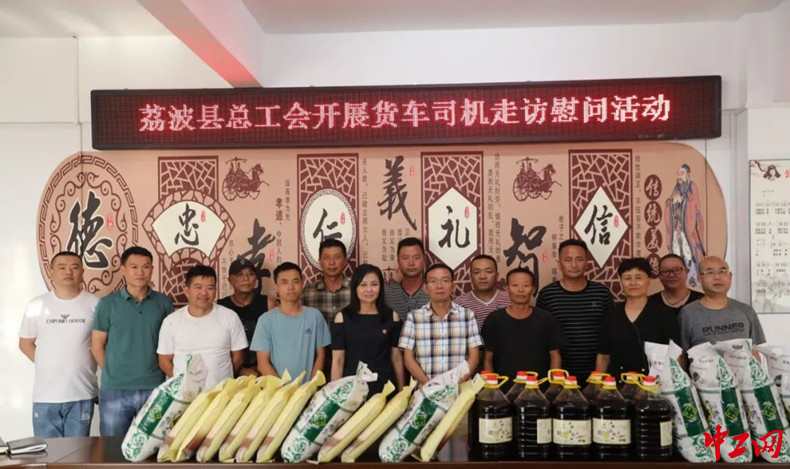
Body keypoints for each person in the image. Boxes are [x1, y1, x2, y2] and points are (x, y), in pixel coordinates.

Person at [91, 246, 173, 436]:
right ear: (123, 270)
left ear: (152, 269)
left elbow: (171, 344)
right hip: (115, 389)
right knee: (112, 447)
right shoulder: (107, 304)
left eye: (146, 267)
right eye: (134, 267)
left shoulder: (163, 303)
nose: (140, 272)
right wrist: (113, 371)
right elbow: (97, 345)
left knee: (153, 446)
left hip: (154, 386)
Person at [18, 252, 99, 438]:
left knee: (77, 453)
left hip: (81, 393)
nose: (68, 272)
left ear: (82, 271)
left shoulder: (96, 304)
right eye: (62, 267)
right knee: (48, 452)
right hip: (45, 396)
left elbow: (102, 344)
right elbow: (25, 343)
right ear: (51, 271)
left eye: (74, 267)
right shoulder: (37, 305)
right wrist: (49, 362)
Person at [536, 239, 613, 384]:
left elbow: (609, 334)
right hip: (558, 373)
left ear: (587, 263)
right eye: (568, 260)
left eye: (579, 259)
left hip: (597, 373)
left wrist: (600, 374)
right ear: (559, 263)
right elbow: (542, 336)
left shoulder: (602, 293)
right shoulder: (547, 295)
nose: (574, 265)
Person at [157, 265, 248, 389]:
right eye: (198, 287)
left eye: (210, 288)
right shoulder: (171, 321)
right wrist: (185, 386)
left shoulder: (230, 317)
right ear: (186, 290)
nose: (204, 293)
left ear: (215, 291)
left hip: (221, 393)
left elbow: (238, 359)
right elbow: (164, 361)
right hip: (184, 395)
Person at [399, 263, 482, 384]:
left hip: (460, 390)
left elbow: (474, 358)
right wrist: (431, 386)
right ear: (425, 288)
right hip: (425, 390)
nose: (439, 286)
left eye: (445, 281)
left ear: (453, 286)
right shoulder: (414, 318)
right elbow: (408, 358)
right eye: (433, 281)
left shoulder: (468, 316)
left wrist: (452, 387)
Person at [596, 258, 680, 377]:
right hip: (617, 384)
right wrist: (598, 384)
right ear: (621, 281)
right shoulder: (612, 315)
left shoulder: (663, 313)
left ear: (648, 280)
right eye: (627, 278)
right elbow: (603, 356)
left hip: (654, 383)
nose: (633, 283)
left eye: (639, 278)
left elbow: (675, 354)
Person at [481, 267, 563, 387]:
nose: (520, 290)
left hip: (539, 390)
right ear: (507, 288)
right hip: (503, 390)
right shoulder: (494, 320)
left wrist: (554, 387)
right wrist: (491, 389)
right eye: (515, 285)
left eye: (526, 285)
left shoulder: (546, 318)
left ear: (533, 289)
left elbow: (555, 356)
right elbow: (487, 359)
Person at [331, 264, 405, 395]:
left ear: (381, 287)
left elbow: (396, 358)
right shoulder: (342, 318)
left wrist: (402, 392)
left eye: (374, 284)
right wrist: (334, 393)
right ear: (355, 287)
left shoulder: (391, 316)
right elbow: (338, 361)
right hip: (352, 390)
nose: (369, 290)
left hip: (385, 388)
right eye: (363, 285)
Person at [251, 262, 330, 382]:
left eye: (295, 281)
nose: (291, 287)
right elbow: (262, 363)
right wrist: (283, 389)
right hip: (278, 390)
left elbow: (321, 356)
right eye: (284, 282)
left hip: (310, 389)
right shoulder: (265, 321)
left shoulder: (315, 316)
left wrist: (311, 386)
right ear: (276, 287)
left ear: (302, 284)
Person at [679, 256, 766, 352]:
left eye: (722, 271)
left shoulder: (746, 311)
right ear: (699, 279)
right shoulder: (688, 313)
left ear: (730, 277)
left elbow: (755, 351)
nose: (717, 277)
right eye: (710, 272)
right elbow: (681, 355)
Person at [217, 258, 275, 376]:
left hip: (265, 370)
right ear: (230, 280)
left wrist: (263, 368)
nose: (246, 278)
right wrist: (240, 371)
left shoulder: (268, 303)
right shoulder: (221, 307)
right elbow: (218, 346)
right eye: (240, 274)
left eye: (251, 274)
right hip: (232, 371)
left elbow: (276, 340)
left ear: (256, 279)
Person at [666, 164, 706, 287]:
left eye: (682, 173)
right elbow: (670, 202)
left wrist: (682, 199)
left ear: (688, 175)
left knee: (690, 253)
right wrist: (672, 201)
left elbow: (694, 203)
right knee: (678, 254)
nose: (679, 176)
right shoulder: (676, 188)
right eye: (678, 174)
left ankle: (692, 277)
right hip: (677, 228)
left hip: (689, 227)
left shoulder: (692, 186)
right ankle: (681, 279)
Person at [454, 254, 511, 329]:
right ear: (471, 277)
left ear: (497, 276)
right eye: (477, 272)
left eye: (488, 271)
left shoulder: (510, 300)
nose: (482, 276)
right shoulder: (459, 304)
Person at [302, 239, 351, 324]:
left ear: (345, 261)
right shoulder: (307, 293)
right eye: (326, 257)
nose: (332, 262)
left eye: (337, 257)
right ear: (320, 261)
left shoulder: (357, 289)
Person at [385, 237, 430, 321]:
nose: (411, 263)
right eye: (405, 258)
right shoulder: (387, 293)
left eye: (416, 258)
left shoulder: (434, 291)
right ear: (398, 262)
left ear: (424, 261)